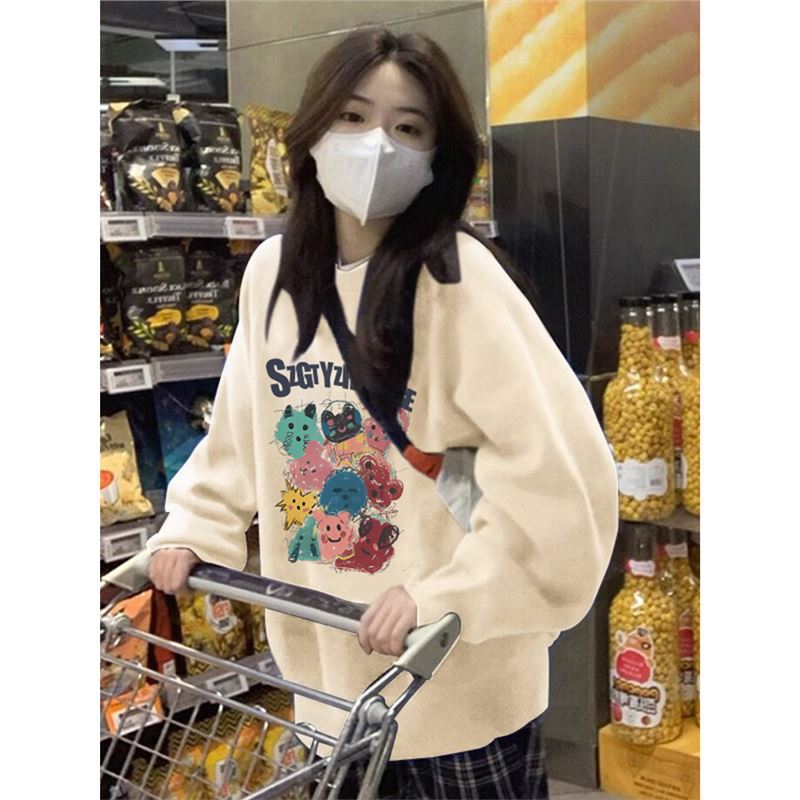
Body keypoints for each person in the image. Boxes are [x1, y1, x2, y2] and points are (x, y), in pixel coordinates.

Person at [148, 27, 618, 800]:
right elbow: (240, 430)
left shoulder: (459, 281)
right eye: (354, 117)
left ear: (438, 155)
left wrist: (450, 596)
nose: (376, 146)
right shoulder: (273, 275)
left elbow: (561, 477)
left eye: (408, 128)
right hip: (330, 694)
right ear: (312, 131)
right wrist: (197, 525)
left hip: (452, 692)